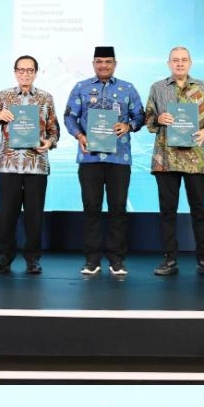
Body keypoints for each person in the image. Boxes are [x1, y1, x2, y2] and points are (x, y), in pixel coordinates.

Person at [64, 46, 145, 277]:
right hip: (89, 158)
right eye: (99, 61)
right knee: (92, 208)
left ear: (115, 64)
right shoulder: (81, 87)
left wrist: (128, 126)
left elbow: (140, 116)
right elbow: (69, 116)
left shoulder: (127, 88)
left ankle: (117, 260)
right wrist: (79, 135)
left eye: (108, 61)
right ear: (93, 64)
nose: (103, 65)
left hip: (119, 158)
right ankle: (92, 260)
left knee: (118, 208)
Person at [144, 46, 204, 278]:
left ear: (190, 63)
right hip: (165, 159)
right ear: (169, 63)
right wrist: (158, 118)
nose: (180, 63)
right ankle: (169, 259)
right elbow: (148, 120)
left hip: (194, 159)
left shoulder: (202, 87)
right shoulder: (157, 88)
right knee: (167, 211)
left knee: (199, 210)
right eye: (175, 60)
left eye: (184, 60)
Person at [0, 55, 60, 275]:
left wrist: (49, 143)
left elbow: (54, 131)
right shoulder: (4, 95)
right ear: (15, 72)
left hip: (36, 164)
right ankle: (4, 258)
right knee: (7, 215)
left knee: (34, 216)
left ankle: (32, 259)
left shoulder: (46, 98)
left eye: (29, 70)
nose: (25, 74)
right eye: (21, 70)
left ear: (36, 73)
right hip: (9, 164)